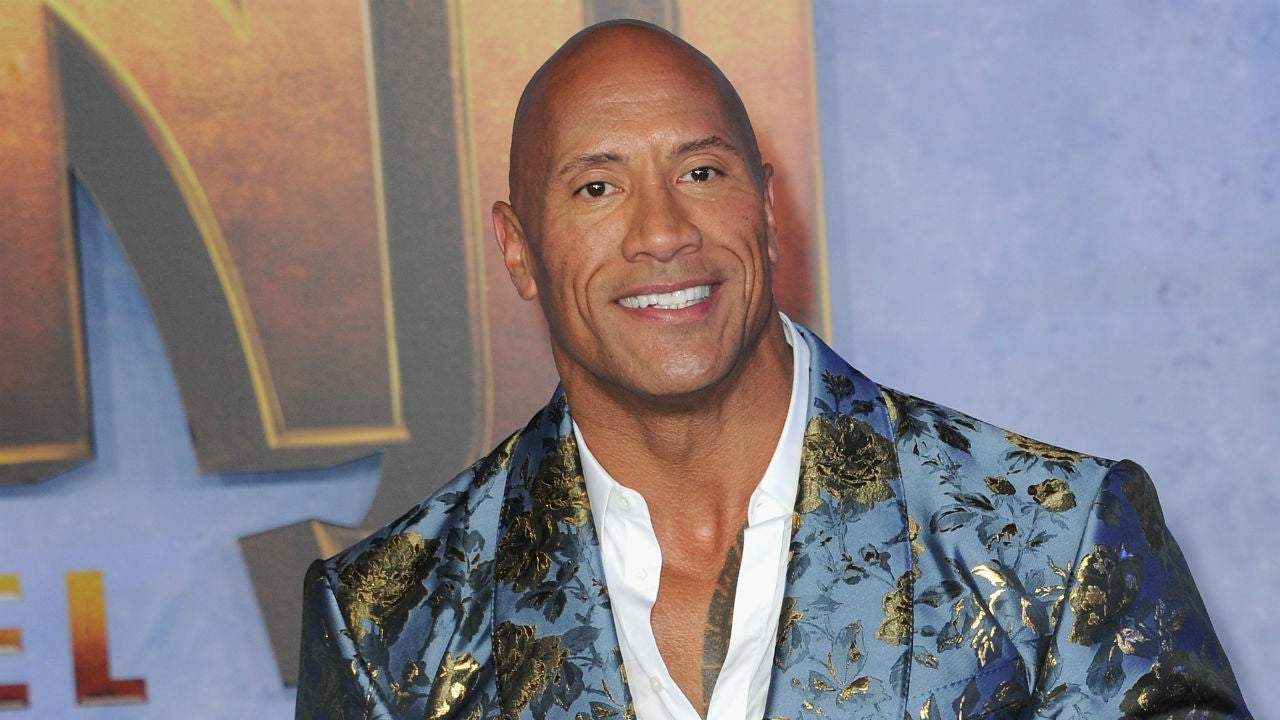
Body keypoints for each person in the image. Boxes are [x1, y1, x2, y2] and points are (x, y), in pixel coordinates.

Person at [295, 20, 1250, 720]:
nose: (662, 231)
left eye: (701, 173)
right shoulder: (389, 623)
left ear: (765, 208)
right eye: (597, 186)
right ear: (518, 250)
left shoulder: (1053, 545)